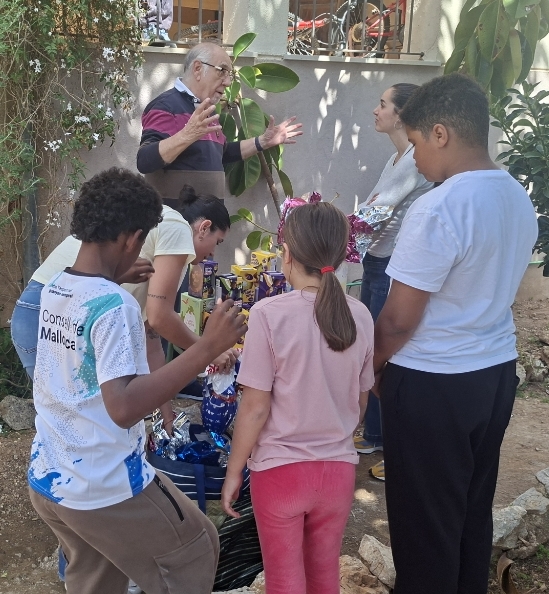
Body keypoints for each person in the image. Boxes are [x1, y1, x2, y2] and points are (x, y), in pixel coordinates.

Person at [28, 167, 246, 594]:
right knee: (197, 550)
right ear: (132, 239)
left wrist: (114, 277)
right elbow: (124, 406)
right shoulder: (115, 306)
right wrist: (206, 348)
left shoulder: (57, 287)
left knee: (98, 576)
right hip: (102, 485)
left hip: (52, 475)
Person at [372, 73, 538, 594]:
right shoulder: (516, 195)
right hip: (494, 374)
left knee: (425, 530)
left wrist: (369, 367)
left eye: (417, 143)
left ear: (440, 134)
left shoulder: (440, 206)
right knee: (469, 511)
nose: (415, 158)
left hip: (434, 382)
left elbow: (398, 319)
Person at [220, 202, 375, 594]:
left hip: (280, 473)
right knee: (324, 577)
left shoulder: (268, 314)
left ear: (286, 254)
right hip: (338, 472)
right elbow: (360, 404)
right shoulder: (360, 315)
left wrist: (235, 471)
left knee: (284, 581)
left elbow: (255, 409)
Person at [353, 83, 434, 482]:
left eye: (382, 104)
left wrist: (337, 239)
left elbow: (376, 213)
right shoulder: (396, 157)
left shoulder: (416, 160)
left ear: (401, 115)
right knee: (372, 346)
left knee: (388, 351)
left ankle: (395, 446)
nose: (376, 110)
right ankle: (375, 433)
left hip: (393, 267)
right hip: (377, 261)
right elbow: (372, 208)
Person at [136, 42, 303, 200]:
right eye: (222, 70)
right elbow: (144, 161)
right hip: (176, 220)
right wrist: (186, 135)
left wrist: (262, 142)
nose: (228, 82)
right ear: (198, 68)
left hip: (208, 219)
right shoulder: (166, 105)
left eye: (229, 74)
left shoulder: (206, 109)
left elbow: (221, 153)